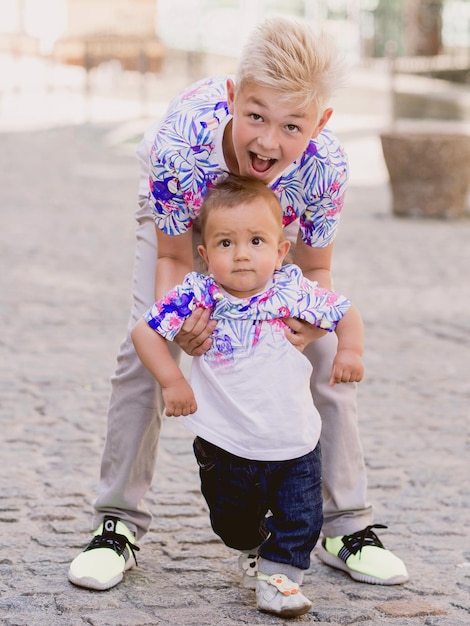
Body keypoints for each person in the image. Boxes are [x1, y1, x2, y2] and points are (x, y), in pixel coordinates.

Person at [68, 16, 408, 592]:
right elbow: (175, 258)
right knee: (141, 355)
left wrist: (307, 326)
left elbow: (317, 268)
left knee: (323, 359)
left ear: (320, 122)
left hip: (274, 235)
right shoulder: (181, 144)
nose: (268, 142)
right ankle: (118, 522)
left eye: (292, 126)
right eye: (255, 116)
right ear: (232, 97)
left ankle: (344, 526)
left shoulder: (324, 166)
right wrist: (179, 332)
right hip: (186, 221)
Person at [131, 174, 365, 617]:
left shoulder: (291, 290)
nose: (241, 254)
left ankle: (281, 577)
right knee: (233, 524)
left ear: (280, 250)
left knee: (302, 518)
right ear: (204, 254)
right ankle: (255, 546)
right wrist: (172, 380)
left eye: (257, 241)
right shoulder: (199, 294)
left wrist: (349, 350)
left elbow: (344, 310)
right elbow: (144, 332)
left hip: (294, 439)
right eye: (225, 243)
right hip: (226, 442)